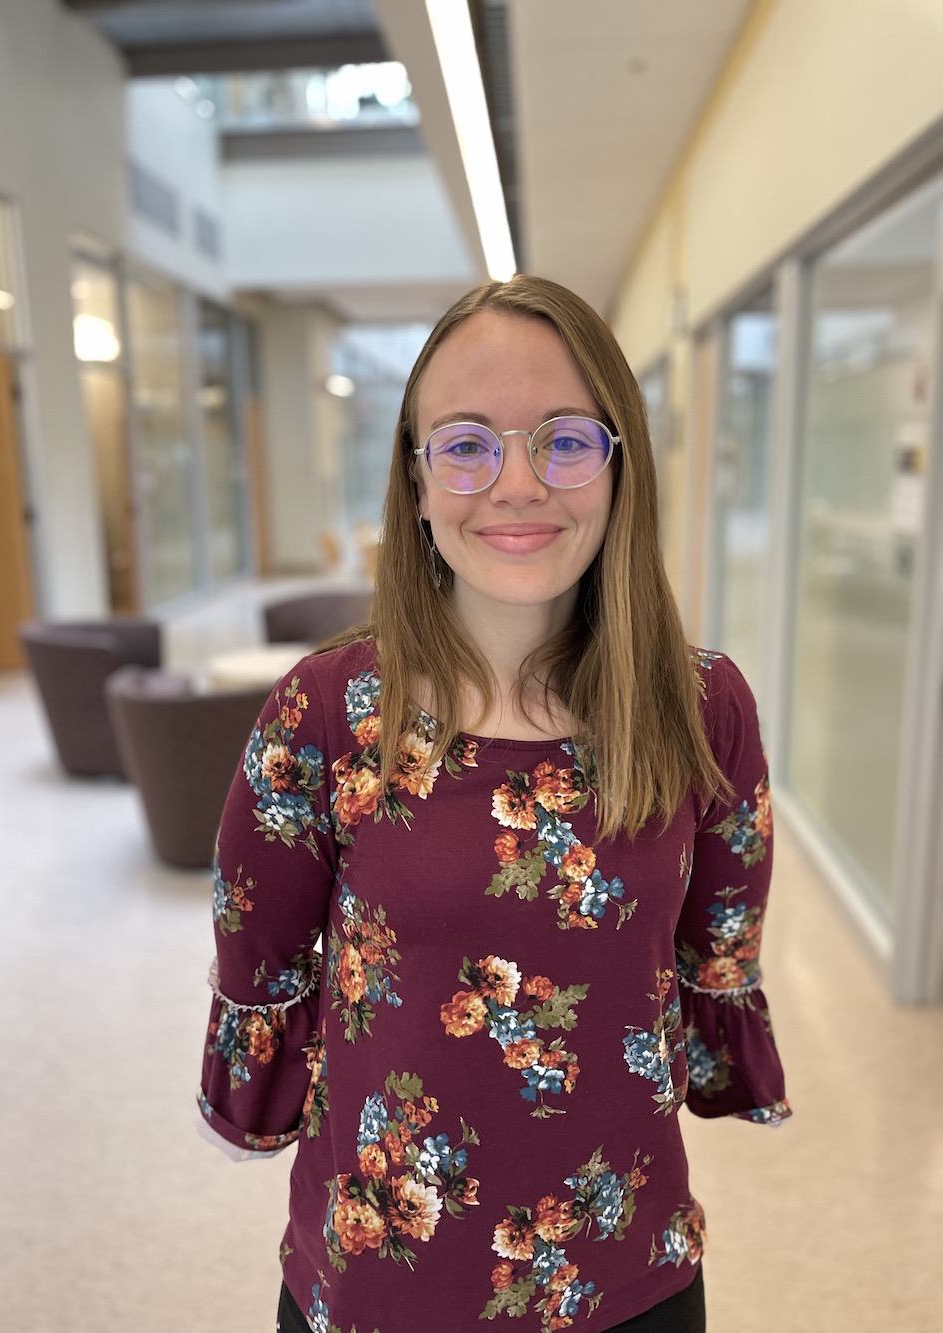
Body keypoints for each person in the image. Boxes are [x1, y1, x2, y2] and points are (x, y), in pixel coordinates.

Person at [198, 275, 790, 1333]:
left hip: (628, 1277)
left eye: (563, 440)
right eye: (466, 444)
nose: (516, 482)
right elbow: (265, 959)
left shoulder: (703, 706)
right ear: (417, 483)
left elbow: (716, 952)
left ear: (618, 469)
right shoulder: (327, 713)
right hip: (379, 1284)